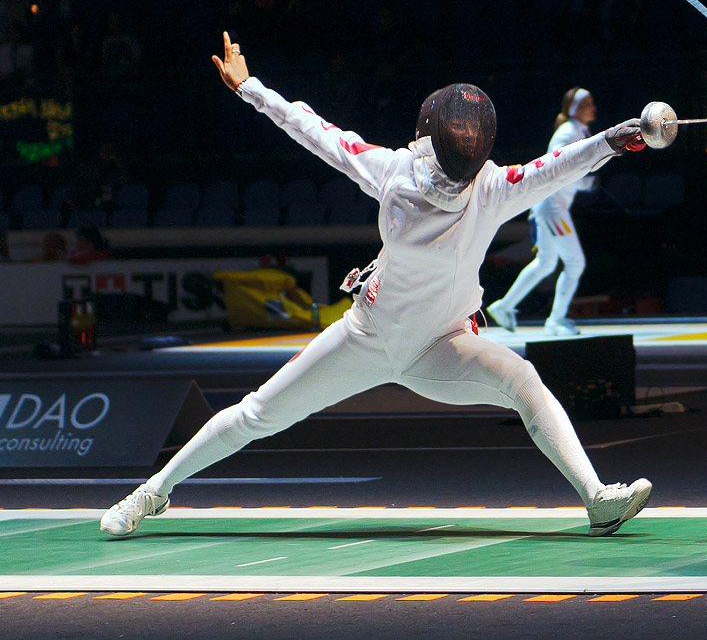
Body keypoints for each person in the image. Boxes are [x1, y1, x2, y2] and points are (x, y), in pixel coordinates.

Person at [100, 33, 653, 537]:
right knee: (255, 415)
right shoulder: (395, 171)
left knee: (524, 381)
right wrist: (251, 89)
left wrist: (615, 138)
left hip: (441, 345)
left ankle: (598, 498)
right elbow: (313, 130)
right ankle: (151, 494)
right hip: (368, 336)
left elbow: (557, 165)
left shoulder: (491, 187)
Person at [488, 87, 599, 336]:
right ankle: (556, 320)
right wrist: (586, 183)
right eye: (588, 103)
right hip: (552, 207)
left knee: (546, 262)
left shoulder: (575, 131)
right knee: (575, 263)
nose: (593, 108)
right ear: (577, 109)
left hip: (550, 205)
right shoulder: (568, 133)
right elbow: (557, 170)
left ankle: (504, 306)